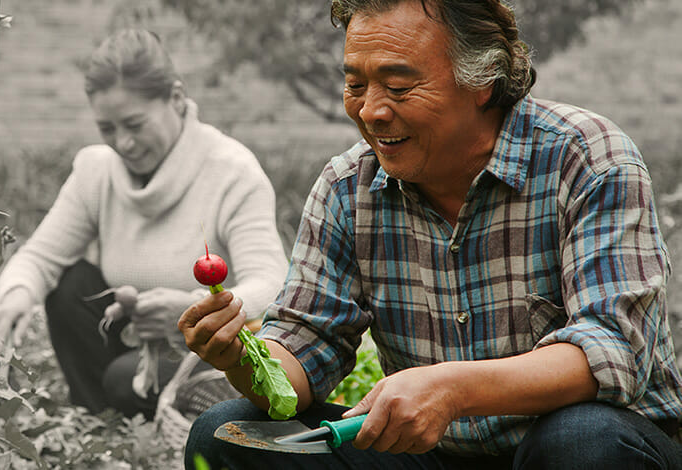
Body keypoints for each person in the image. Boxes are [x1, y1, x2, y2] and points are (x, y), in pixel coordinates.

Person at [179, 0, 682, 468]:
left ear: (482, 80)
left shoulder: (586, 158)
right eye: (356, 84)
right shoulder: (346, 189)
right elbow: (302, 355)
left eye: (398, 87)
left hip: (585, 443)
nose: (371, 110)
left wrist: (454, 389)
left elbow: (612, 351)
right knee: (222, 432)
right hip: (432, 455)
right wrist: (243, 357)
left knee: (581, 439)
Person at [0, 29, 288, 420]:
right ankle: (101, 431)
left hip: (207, 356)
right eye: (108, 129)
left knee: (123, 378)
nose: (123, 143)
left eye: (134, 124)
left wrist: (195, 308)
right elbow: (40, 257)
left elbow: (271, 283)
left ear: (176, 99)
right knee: (70, 283)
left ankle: (146, 430)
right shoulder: (97, 171)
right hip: (132, 345)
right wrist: (15, 295)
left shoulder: (232, 173)